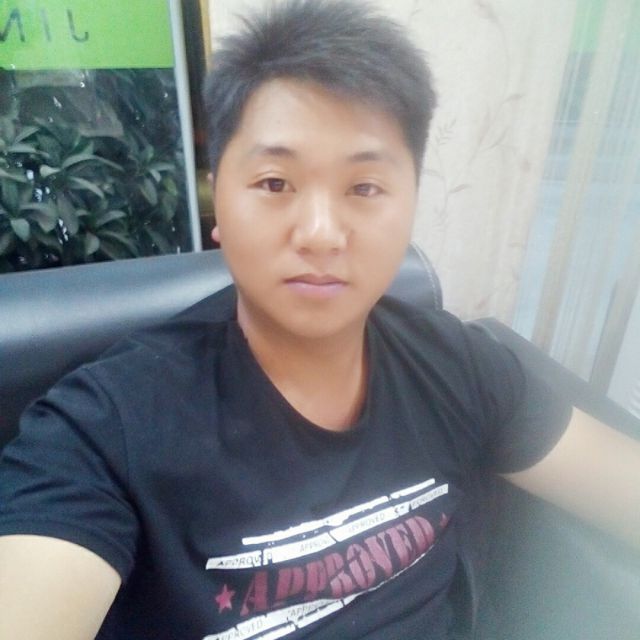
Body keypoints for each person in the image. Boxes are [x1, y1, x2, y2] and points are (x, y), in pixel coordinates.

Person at [0, 1, 638, 639]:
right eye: (275, 183)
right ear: (220, 200)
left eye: (364, 188)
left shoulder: (459, 366)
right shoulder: (107, 429)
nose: (321, 233)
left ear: (412, 203)